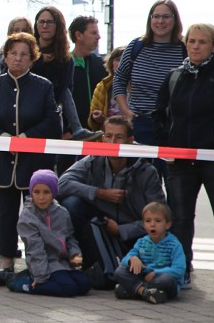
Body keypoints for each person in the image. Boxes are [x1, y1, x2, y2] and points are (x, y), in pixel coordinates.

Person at [0, 32, 61, 271]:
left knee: (36, 210)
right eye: (13, 53)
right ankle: (6, 256)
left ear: (32, 59)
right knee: (7, 210)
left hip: (33, 159)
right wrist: (3, 139)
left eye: (24, 55)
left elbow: (52, 122)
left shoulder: (43, 86)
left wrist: (25, 138)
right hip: (3, 158)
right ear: (5, 56)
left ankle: (40, 257)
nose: (18, 59)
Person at [57, 116, 164, 279]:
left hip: (134, 233)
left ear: (130, 141)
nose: (113, 142)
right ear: (102, 138)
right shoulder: (93, 160)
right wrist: (100, 193)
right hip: (101, 225)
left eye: (119, 137)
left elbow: (161, 218)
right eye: (108, 136)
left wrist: (121, 230)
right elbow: (62, 183)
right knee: (71, 203)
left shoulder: (147, 171)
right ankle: (82, 260)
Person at [156, 22, 214, 288]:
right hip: (180, 160)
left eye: (201, 42)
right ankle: (182, 271)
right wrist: (165, 146)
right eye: (191, 41)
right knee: (180, 218)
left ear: (213, 46)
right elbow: (160, 115)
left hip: (213, 158)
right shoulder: (174, 76)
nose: (195, 46)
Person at [112, 0, 186, 149]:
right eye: (156, 16)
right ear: (150, 19)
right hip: (139, 122)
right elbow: (119, 78)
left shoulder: (185, 49)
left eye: (166, 16)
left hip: (173, 125)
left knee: (169, 171)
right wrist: (126, 111)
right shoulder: (136, 46)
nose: (160, 21)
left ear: (175, 20)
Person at [9, 169, 92, 297]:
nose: (41, 197)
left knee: (84, 284)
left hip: (62, 263)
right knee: (68, 288)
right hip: (45, 265)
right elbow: (35, 250)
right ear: (31, 193)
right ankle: (25, 284)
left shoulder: (61, 212)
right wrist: (40, 277)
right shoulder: (28, 217)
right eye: (36, 192)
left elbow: (69, 237)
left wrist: (74, 253)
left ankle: (44, 281)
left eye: (46, 192)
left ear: (53, 193)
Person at [32, 6, 91, 143]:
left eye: (49, 22)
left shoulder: (65, 58)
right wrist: (39, 60)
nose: (45, 26)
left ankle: (76, 129)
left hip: (51, 110)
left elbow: (65, 91)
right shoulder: (27, 51)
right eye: (41, 22)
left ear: (57, 25)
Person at [113, 201, 186, 305]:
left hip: (161, 280)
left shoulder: (174, 244)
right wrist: (132, 258)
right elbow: (126, 259)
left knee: (166, 279)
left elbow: (179, 269)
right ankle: (146, 293)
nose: (152, 224)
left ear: (167, 225)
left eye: (158, 221)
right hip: (144, 277)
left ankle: (134, 290)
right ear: (144, 225)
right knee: (120, 271)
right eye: (148, 221)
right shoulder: (142, 242)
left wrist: (156, 273)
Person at [68, 15, 105, 130]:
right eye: (93, 33)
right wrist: (66, 129)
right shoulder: (64, 65)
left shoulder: (102, 65)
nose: (99, 37)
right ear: (79, 35)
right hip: (71, 135)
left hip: (98, 133)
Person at [86, 46, 125, 131]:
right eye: (117, 59)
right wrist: (96, 118)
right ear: (111, 63)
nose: (120, 64)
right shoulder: (102, 86)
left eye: (124, 60)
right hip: (105, 137)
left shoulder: (138, 87)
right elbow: (92, 124)